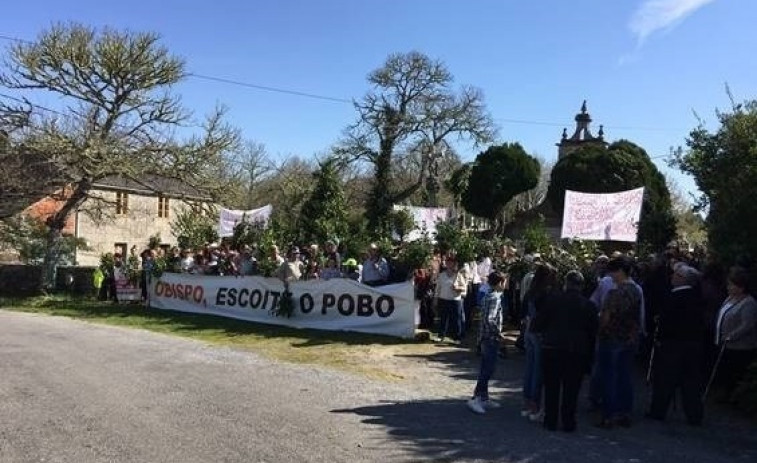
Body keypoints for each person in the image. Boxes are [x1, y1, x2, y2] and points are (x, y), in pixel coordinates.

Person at [532, 271, 598, 432]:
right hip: (577, 351)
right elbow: (594, 330)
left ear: (566, 284)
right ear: (581, 286)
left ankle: (550, 420)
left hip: (553, 347)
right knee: (572, 388)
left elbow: (537, 324)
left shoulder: (553, 301)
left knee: (551, 386)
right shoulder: (588, 305)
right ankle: (568, 421)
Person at [647, 264, 705, 425]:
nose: (672, 277)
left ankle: (658, 411)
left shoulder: (673, 297)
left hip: (672, 345)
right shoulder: (697, 297)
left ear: (682, 278)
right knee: (691, 383)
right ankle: (694, 415)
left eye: (675, 274)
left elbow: (666, 322)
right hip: (693, 345)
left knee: (664, 380)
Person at [596, 288, 639, 428]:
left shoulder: (613, 294)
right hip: (628, 338)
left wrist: (601, 329)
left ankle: (609, 415)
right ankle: (625, 413)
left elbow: (606, 317)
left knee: (610, 377)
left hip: (612, 337)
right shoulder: (635, 293)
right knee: (624, 376)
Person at [467, 272, 508, 414]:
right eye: (504, 282)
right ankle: (477, 397)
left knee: (487, 366)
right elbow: (490, 319)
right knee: (488, 369)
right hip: (490, 337)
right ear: (499, 283)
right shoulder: (495, 298)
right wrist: (498, 333)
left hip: (485, 337)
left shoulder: (487, 295)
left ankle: (483, 397)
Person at [521, 264, 557, 422]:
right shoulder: (546, 293)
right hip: (539, 333)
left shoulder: (531, 291)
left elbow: (523, 311)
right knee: (538, 370)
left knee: (529, 367)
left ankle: (528, 403)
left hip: (529, 330)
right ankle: (535, 404)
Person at [713, 266, 757, 396]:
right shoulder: (729, 298)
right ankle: (724, 393)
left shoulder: (749, 303)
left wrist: (731, 336)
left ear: (741, 287)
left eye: (731, 285)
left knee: (735, 373)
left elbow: (747, 325)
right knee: (726, 371)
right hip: (724, 343)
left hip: (740, 346)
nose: (728, 287)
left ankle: (733, 397)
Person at [434, 255, 468, 343]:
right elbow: (438, 288)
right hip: (443, 299)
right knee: (443, 319)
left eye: (451, 263)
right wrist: (436, 299)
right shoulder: (441, 275)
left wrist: (457, 288)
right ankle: (441, 336)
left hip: (455, 300)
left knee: (456, 320)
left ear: (454, 264)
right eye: (447, 262)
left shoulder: (459, 275)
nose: (449, 264)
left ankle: (457, 337)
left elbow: (464, 288)